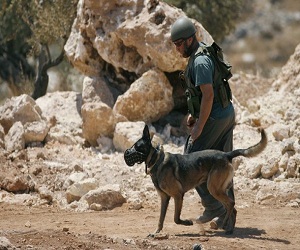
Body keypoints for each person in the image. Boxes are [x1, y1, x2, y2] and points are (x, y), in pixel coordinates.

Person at [170, 16, 236, 232]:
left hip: (215, 116)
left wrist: (198, 127)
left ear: (189, 40)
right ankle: (227, 216)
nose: (177, 48)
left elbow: (207, 95)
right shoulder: (202, 54)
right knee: (223, 163)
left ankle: (213, 206)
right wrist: (194, 114)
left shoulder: (199, 61)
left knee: (190, 160)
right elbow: (204, 95)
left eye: (179, 44)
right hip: (225, 113)